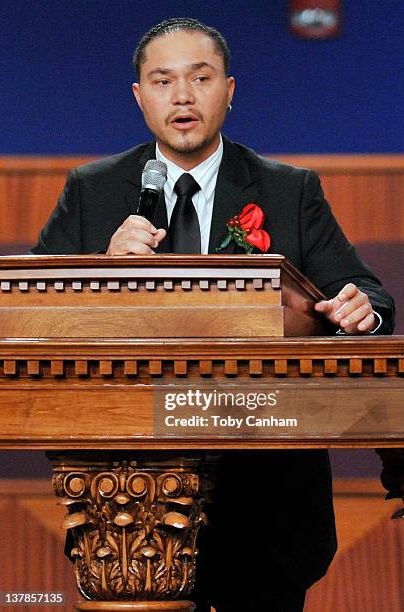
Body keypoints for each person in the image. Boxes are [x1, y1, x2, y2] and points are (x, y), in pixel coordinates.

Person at [31, 17, 395, 612]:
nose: (182, 96)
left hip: (266, 491)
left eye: (200, 78)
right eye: (163, 80)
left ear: (228, 89)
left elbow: (366, 294)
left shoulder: (288, 190)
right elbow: (27, 310)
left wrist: (361, 310)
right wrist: (99, 266)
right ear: (139, 96)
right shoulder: (92, 190)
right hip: (126, 502)